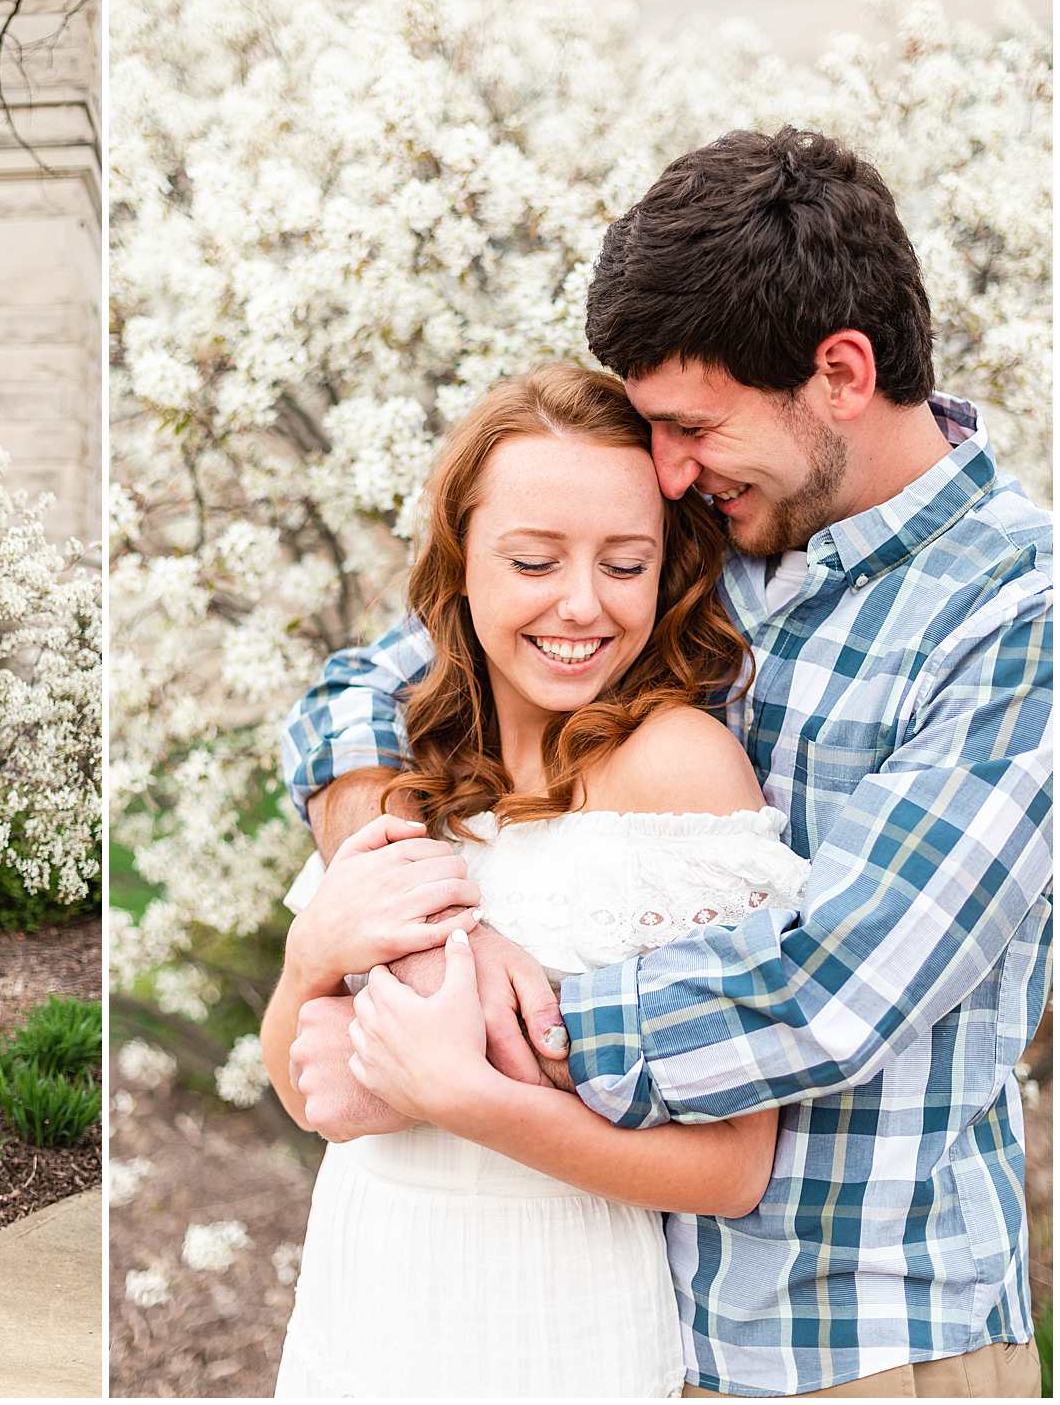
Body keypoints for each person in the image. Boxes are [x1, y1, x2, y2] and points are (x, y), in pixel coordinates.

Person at [282, 127, 1050, 1397]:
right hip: (622, 1315)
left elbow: (825, 989)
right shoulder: (707, 529)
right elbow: (372, 687)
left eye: (692, 427)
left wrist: (454, 1049)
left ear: (840, 373)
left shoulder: (1014, 618)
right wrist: (423, 921)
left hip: (852, 1333)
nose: (669, 469)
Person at [261, 363, 810, 1397]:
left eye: (622, 563)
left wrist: (465, 1099)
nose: (578, 604)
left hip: (552, 1308)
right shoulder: (405, 769)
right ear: (460, 562)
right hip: (366, 1284)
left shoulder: (674, 766)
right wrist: (308, 959)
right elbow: (305, 1089)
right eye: (532, 559)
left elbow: (732, 1170)